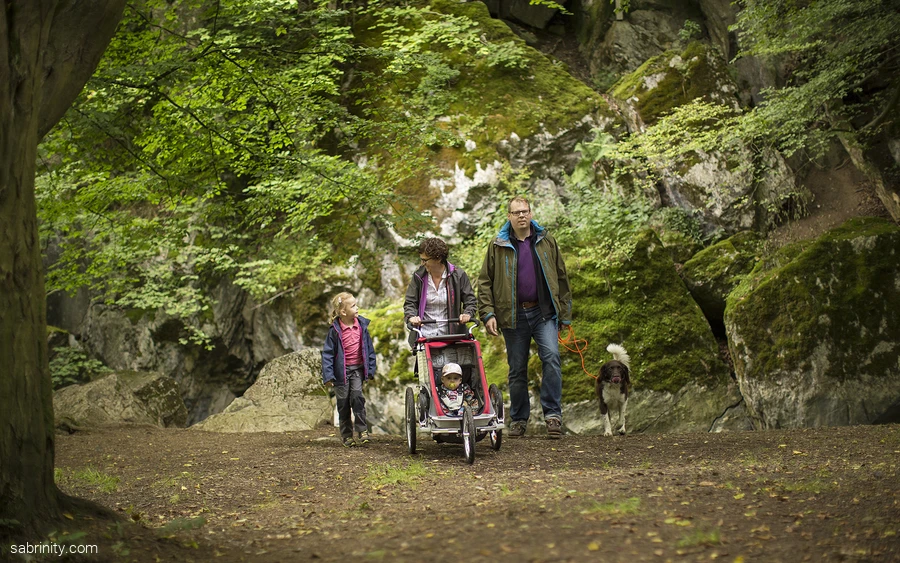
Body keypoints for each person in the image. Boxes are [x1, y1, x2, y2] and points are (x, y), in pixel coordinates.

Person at [476, 196, 571, 439]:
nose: (521, 216)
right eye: (516, 212)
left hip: (544, 312)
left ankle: (553, 416)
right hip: (513, 316)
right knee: (517, 369)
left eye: (525, 211)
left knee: (551, 357)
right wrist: (488, 313)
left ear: (530, 213)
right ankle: (518, 419)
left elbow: (561, 277)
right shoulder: (498, 245)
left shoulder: (545, 240)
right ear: (509, 216)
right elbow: (485, 282)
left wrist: (565, 314)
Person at [321, 292, 376, 447]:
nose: (357, 308)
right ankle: (346, 435)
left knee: (357, 397)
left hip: (357, 370)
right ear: (343, 312)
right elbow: (328, 354)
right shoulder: (335, 331)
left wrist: (370, 369)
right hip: (341, 373)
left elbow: (369, 349)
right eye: (353, 306)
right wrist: (328, 375)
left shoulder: (362, 326)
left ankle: (362, 430)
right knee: (343, 403)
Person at [403, 237, 477, 348]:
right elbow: (410, 303)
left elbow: (470, 300)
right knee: (425, 365)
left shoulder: (458, 275)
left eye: (425, 260)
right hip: (425, 337)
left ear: (437, 259)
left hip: (452, 336)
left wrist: (467, 314)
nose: (422, 263)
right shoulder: (419, 277)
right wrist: (412, 316)